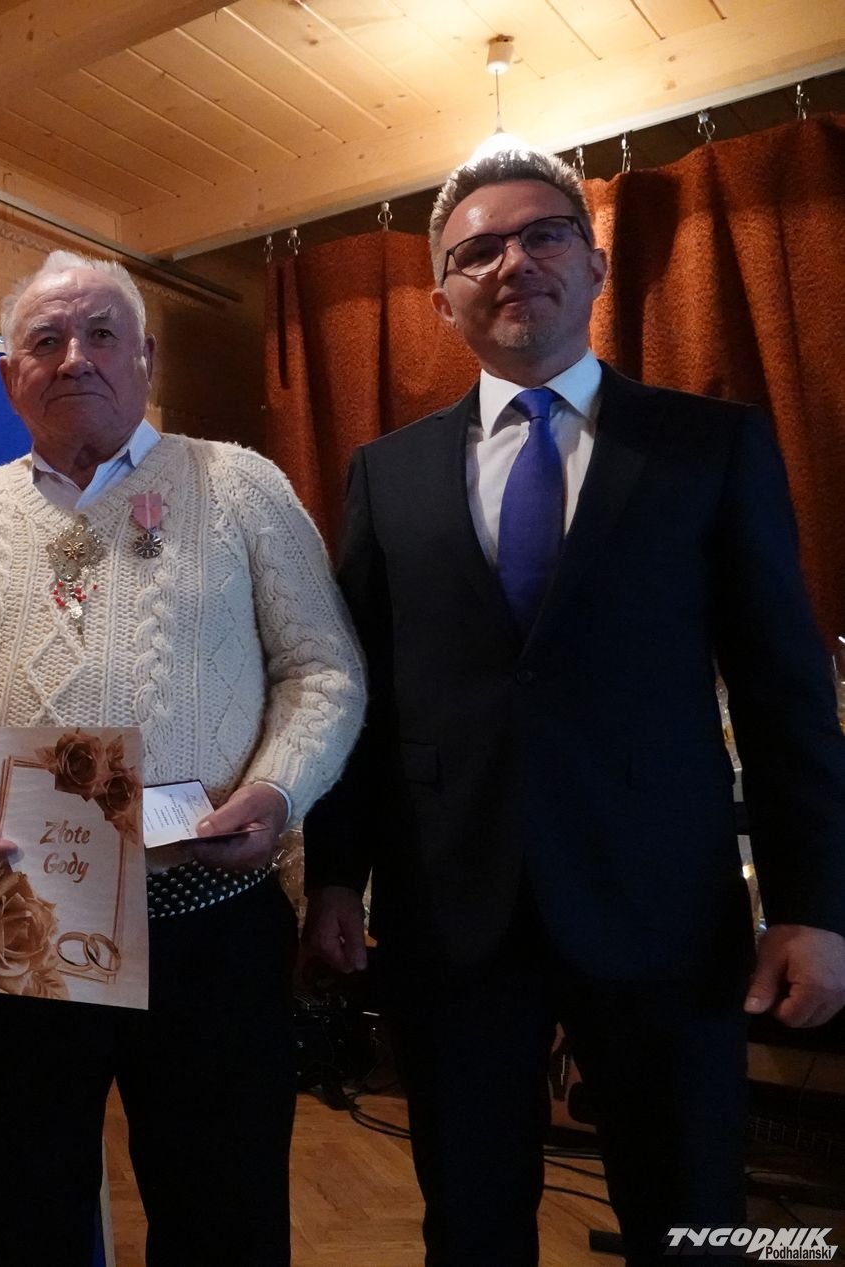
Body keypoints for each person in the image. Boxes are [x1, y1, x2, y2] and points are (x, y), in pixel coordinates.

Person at [302, 149, 845, 1266]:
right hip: (451, 909)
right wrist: (336, 877)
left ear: (594, 265)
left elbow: (784, 691)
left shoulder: (711, 446)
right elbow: (357, 690)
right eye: (478, 250)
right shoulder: (384, 473)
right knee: (470, 1222)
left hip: (662, 902)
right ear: (443, 298)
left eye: (543, 234)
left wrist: (812, 906)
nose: (514, 262)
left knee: (693, 1220)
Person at [0, 249, 366, 1267]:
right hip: (27, 911)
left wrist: (277, 790)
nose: (74, 357)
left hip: (212, 917)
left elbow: (324, 671)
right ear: (9, 375)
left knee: (222, 1217)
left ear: (145, 358)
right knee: (26, 1215)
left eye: (101, 334)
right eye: (45, 340)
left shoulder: (240, 485)